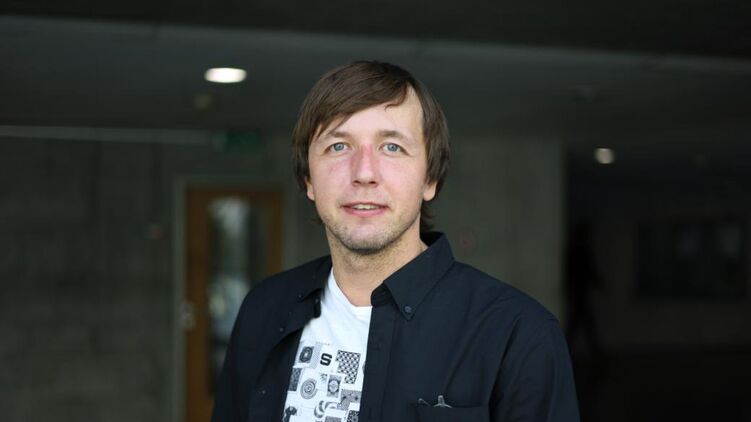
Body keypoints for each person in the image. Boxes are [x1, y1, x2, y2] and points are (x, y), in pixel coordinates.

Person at [211, 61, 580, 422]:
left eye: (391, 147)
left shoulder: (518, 335)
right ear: (309, 179)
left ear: (430, 179)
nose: (364, 173)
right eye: (338, 146)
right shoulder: (264, 310)